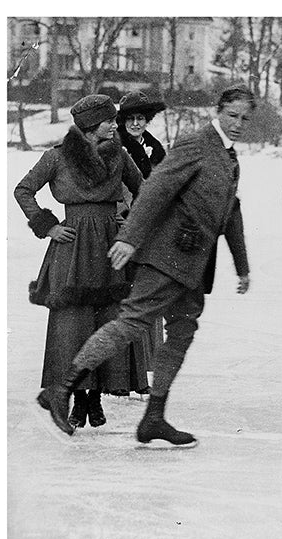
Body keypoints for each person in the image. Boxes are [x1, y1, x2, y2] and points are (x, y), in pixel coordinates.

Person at [35, 85, 253, 446]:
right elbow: (153, 190)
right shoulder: (196, 143)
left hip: (194, 264)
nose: (238, 124)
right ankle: (62, 389)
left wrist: (242, 265)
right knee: (132, 321)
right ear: (218, 111)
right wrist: (129, 237)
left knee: (182, 331)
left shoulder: (230, 159)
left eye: (245, 118)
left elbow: (231, 212)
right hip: (166, 256)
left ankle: (153, 418)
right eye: (232, 115)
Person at [15, 94, 147, 429]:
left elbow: (144, 190)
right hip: (72, 245)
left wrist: (128, 221)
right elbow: (24, 190)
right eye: (108, 120)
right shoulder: (57, 157)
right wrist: (48, 226)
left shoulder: (119, 155)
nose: (114, 126)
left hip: (109, 243)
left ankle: (96, 399)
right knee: (73, 323)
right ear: (90, 125)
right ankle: (77, 400)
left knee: (106, 319)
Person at [115, 90, 169, 394]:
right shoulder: (116, 146)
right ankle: (122, 375)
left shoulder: (156, 147)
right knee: (123, 300)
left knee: (147, 298)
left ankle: (143, 372)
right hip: (124, 228)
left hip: (149, 232)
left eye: (141, 118)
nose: (136, 123)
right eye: (131, 118)